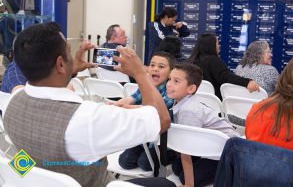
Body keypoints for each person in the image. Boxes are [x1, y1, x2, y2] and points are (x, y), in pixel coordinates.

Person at [3, 22, 171, 187]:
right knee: (164, 183)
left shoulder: (13, 101)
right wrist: (140, 72)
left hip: (38, 181)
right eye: (69, 51)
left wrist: (69, 71)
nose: (72, 55)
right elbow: (161, 120)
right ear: (60, 64)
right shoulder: (86, 119)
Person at [166, 63, 239, 187]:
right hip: (210, 147)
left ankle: (230, 172)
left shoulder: (189, 110)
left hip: (226, 154)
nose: (168, 84)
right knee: (177, 167)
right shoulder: (182, 101)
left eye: (176, 81)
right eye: (169, 79)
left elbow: (186, 148)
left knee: (185, 177)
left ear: (191, 89)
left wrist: (189, 184)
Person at [114, 51, 175, 171]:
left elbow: (152, 111)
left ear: (170, 73)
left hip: (162, 140)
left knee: (145, 164)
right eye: (152, 65)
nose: (155, 69)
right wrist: (115, 104)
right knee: (124, 161)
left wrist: (127, 108)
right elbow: (130, 99)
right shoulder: (144, 85)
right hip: (145, 138)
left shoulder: (170, 91)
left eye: (161, 67)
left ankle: (173, 156)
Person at [246, 54, 293, 152]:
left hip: (257, 166)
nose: (271, 54)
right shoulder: (271, 71)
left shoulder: (256, 110)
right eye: (268, 51)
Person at [187, 33, 259, 100]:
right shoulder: (213, 61)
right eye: (217, 43)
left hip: (193, 101)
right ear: (211, 46)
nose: (219, 46)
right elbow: (226, 77)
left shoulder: (190, 62)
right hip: (213, 104)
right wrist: (247, 82)